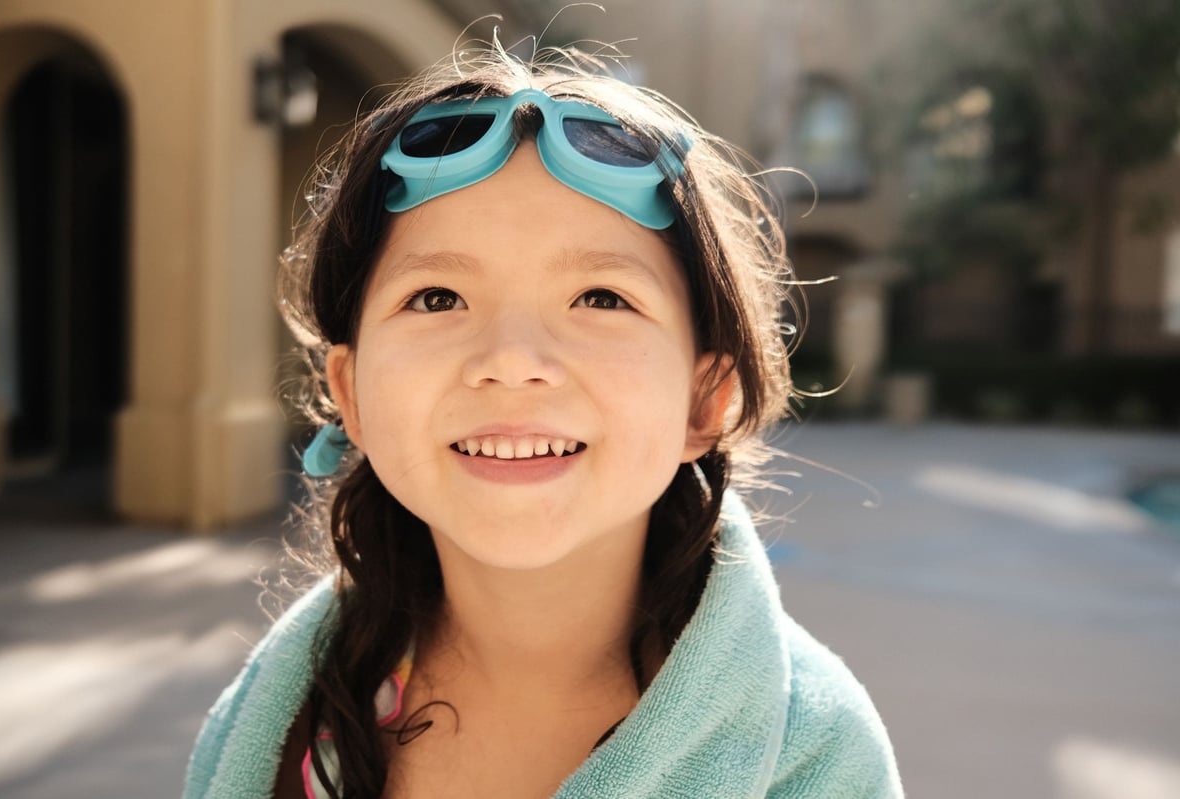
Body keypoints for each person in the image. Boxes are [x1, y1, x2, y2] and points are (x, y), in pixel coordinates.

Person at [183, 41, 903, 799]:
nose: (513, 359)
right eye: (436, 298)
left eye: (601, 298)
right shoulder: (276, 718)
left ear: (705, 399)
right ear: (351, 393)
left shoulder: (816, 752)